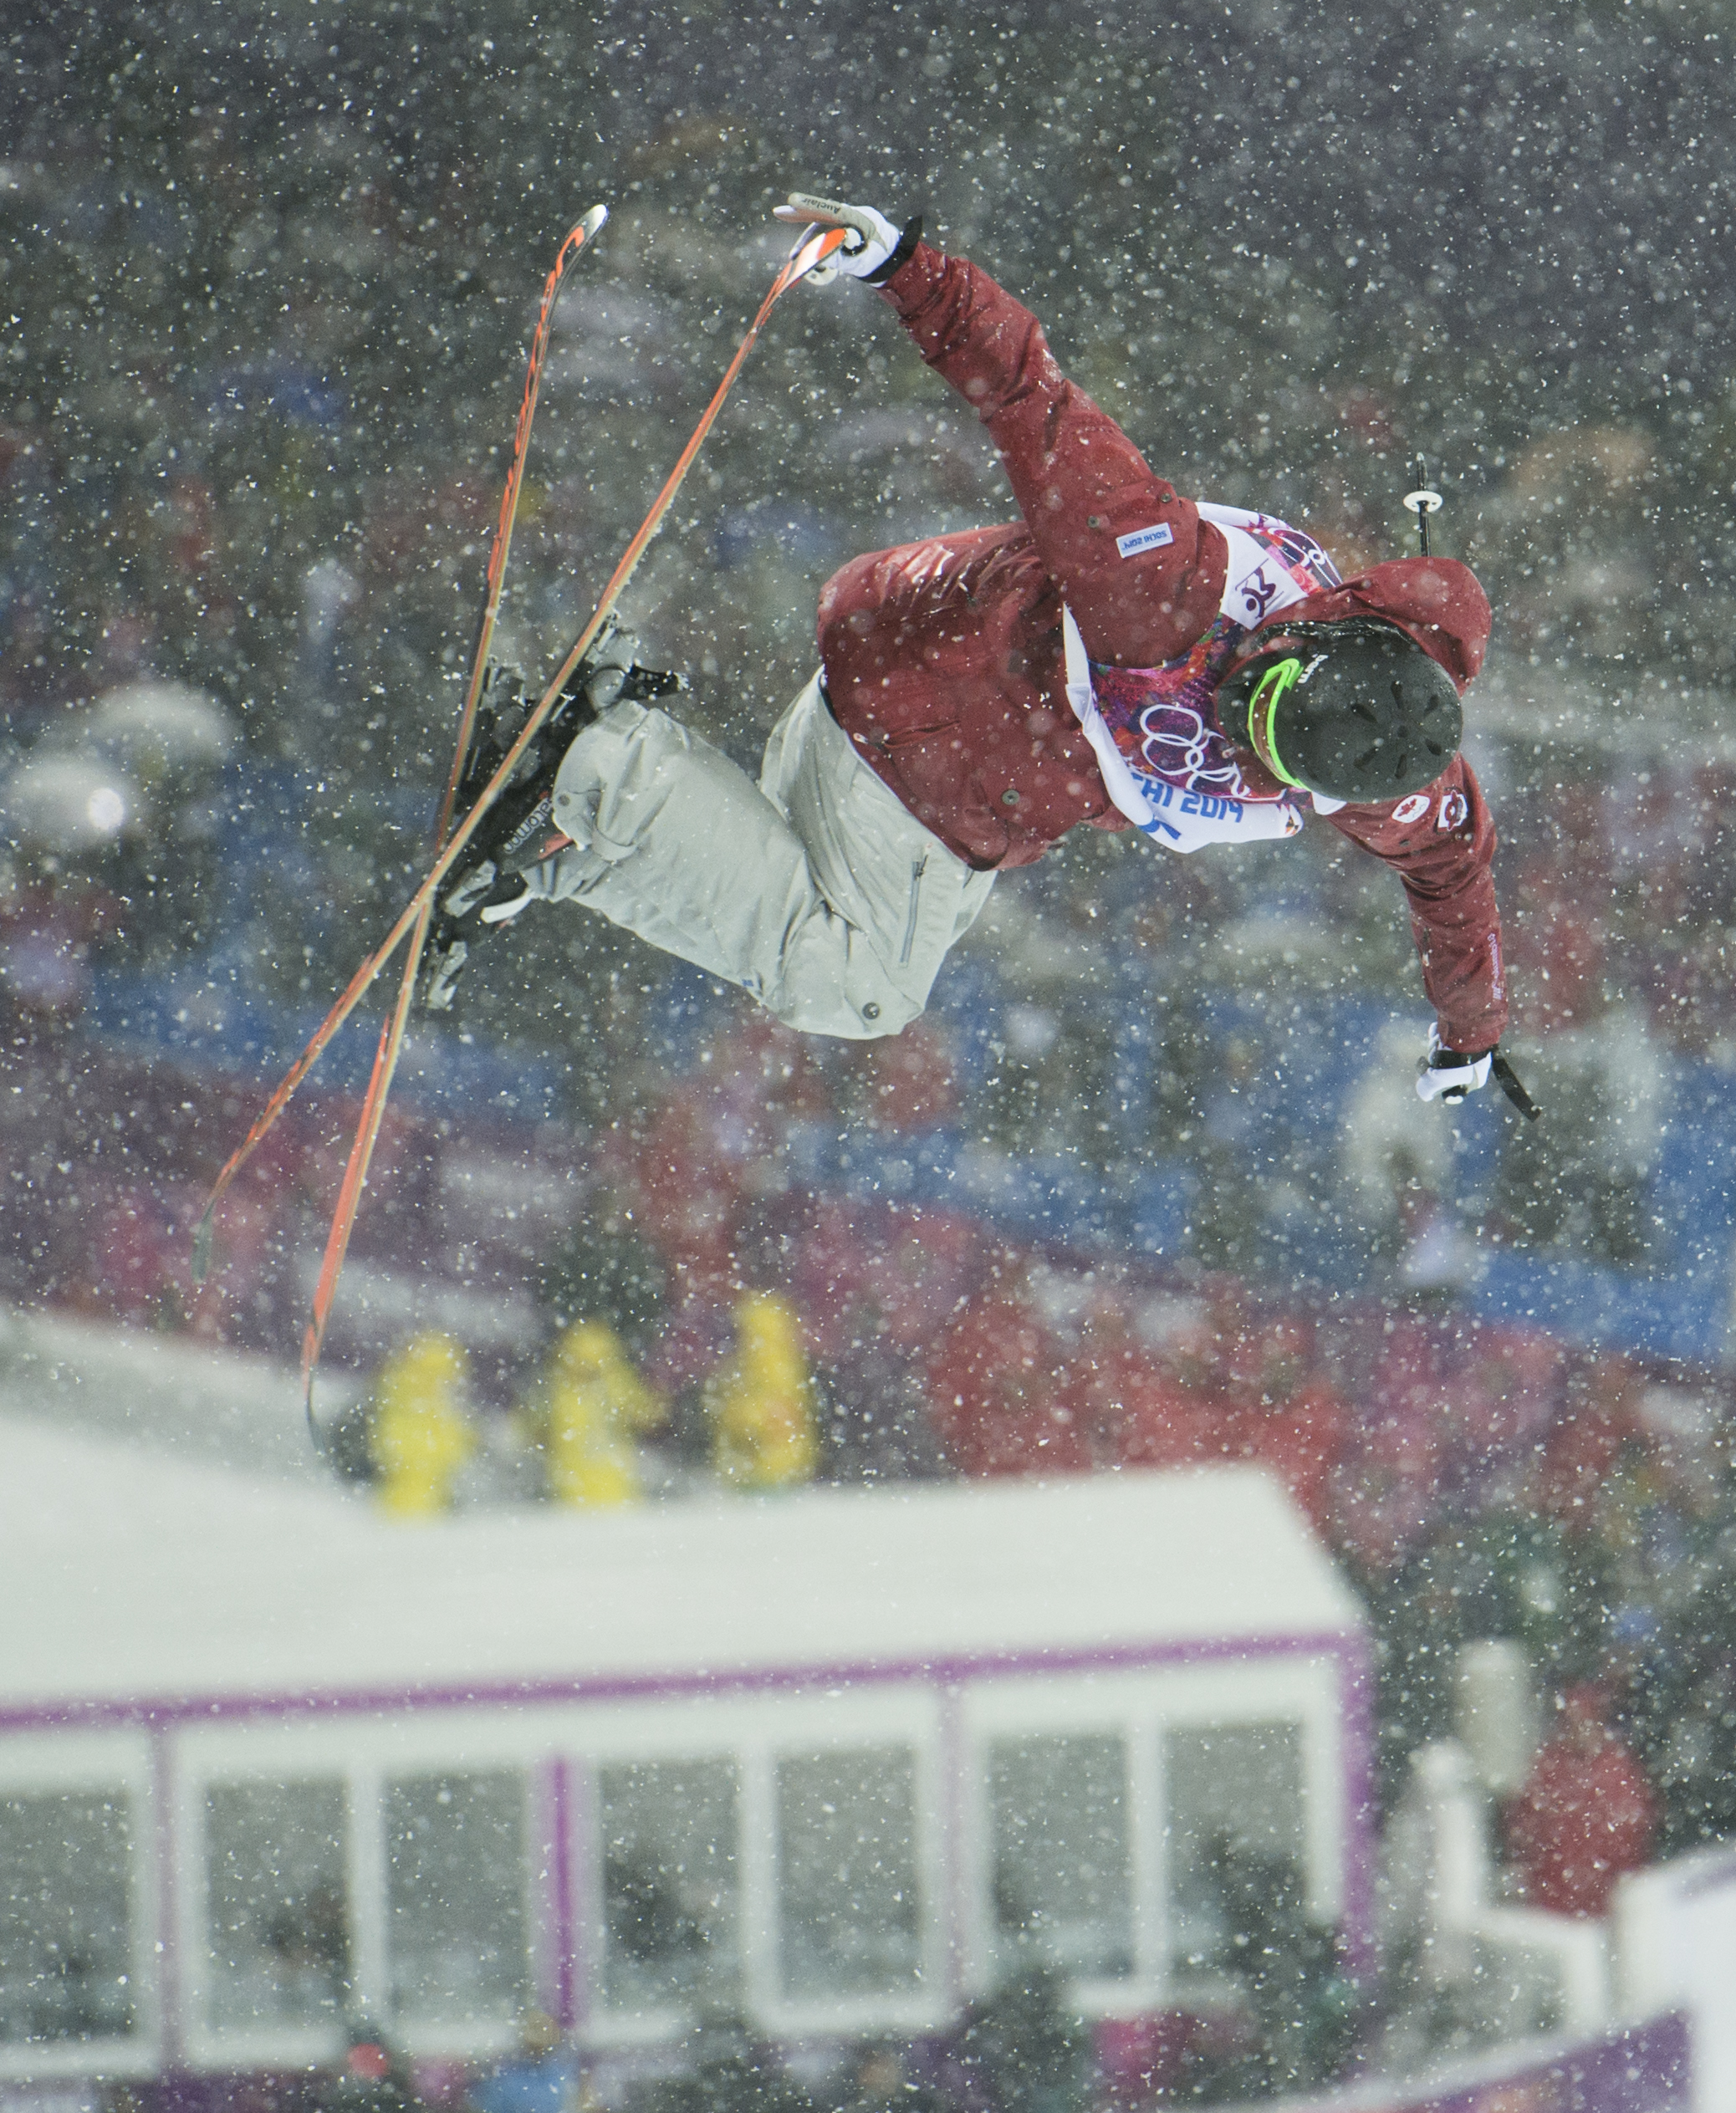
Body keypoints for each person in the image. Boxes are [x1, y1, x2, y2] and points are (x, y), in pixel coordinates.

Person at [424, 193, 1509, 1108]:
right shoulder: (1160, 583)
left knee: (828, 918)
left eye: (1263, 745)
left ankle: (571, 839)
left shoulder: (1398, 779)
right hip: (929, 727)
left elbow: (1455, 877)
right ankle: (593, 770)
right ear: (1301, 638)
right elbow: (1031, 397)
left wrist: (1472, 1034)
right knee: (858, 988)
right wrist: (903, 265)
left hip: (959, 767)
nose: (1228, 714)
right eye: (1253, 691)